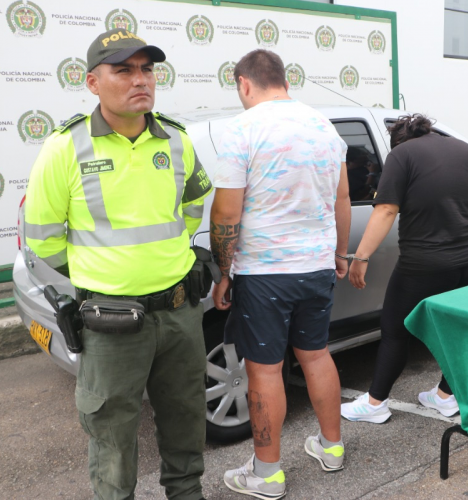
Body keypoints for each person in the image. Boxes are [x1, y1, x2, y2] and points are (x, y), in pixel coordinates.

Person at [24, 29, 213, 499]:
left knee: (186, 420)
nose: (140, 79)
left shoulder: (176, 140)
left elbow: (191, 211)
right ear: (92, 82)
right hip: (110, 322)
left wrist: (163, 259)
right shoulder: (64, 148)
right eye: (124, 69)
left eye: (147, 69)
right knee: (111, 434)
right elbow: (44, 240)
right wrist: (101, 279)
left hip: (179, 311)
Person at [209, 49, 350, 499]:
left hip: (266, 272)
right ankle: (332, 448)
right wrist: (341, 253)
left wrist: (224, 271)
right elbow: (342, 199)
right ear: (283, 81)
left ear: (245, 83)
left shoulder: (242, 129)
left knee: (265, 371)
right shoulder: (324, 126)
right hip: (316, 266)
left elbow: (226, 212)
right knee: (316, 354)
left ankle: (267, 474)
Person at [340, 114, 468, 423]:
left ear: (398, 141)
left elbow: (386, 210)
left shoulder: (401, 155)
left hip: (425, 263)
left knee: (396, 330)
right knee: (456, 329)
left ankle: (375, 403)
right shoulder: (463, 149)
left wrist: (361, 257)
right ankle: (446, 397)